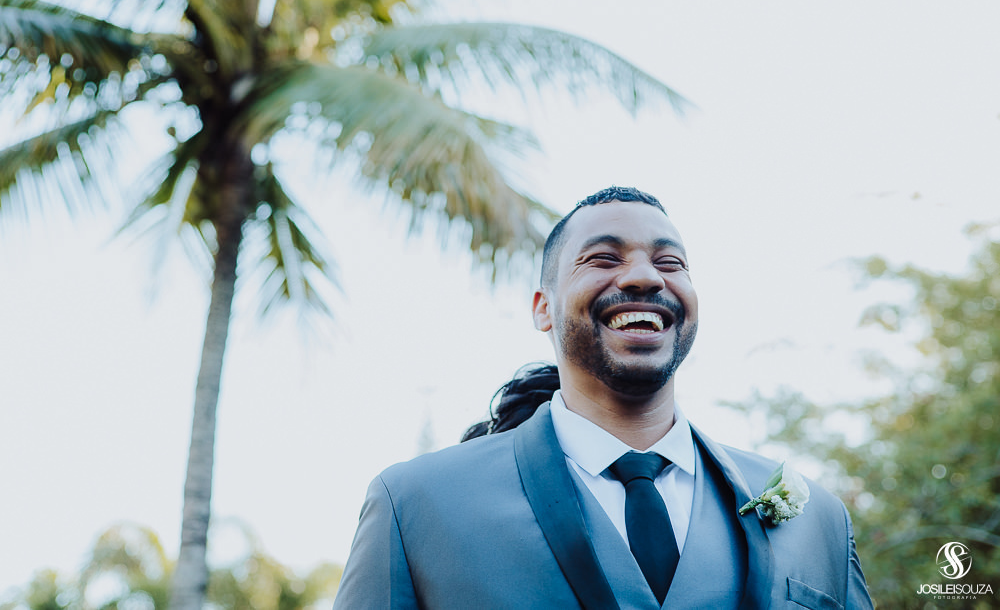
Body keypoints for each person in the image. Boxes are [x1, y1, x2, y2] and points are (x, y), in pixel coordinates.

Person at [334, 186, 873, 609]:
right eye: (603, 259)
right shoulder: (415, 506)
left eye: (670, 263)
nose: (643, 277)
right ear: (543, 308)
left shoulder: (817, 519)